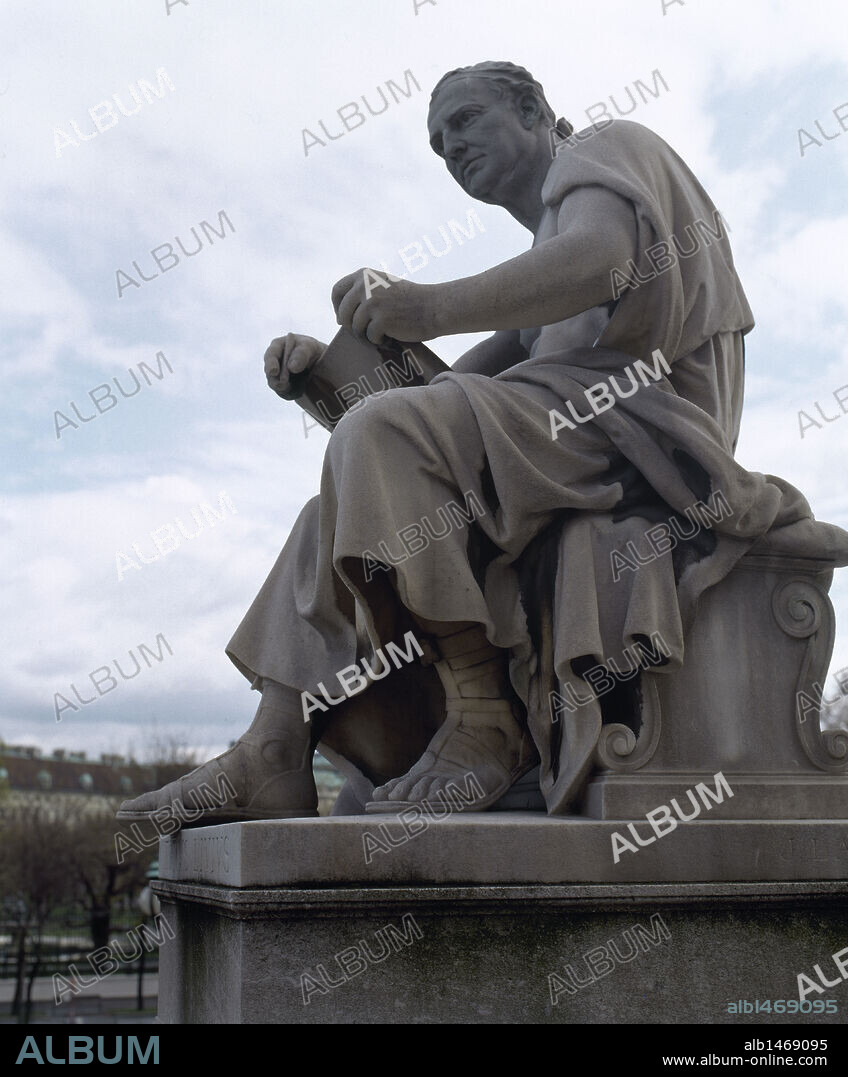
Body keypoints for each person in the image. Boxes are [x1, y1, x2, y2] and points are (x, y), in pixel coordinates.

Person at [118, 61, 848, 825]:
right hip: (569, 431)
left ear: (535, 109)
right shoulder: (542, 273)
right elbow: (433, 417)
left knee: (384, 435)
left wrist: (426, 307)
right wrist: (325, 379)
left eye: (464, 121)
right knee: (323, 510)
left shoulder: (608, 146)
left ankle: (487, 717)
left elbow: (603, 260)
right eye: (436, 143)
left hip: (645, 434)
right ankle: (273, 748)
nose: (450, 149)